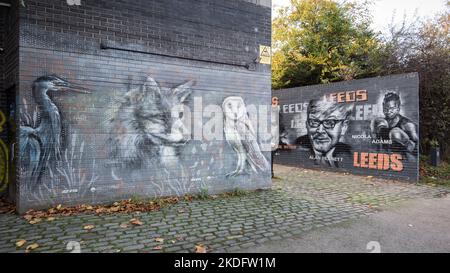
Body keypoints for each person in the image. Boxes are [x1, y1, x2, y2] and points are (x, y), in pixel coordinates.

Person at [295, 99, 353, 168]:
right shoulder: (296, 149)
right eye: (314, 122)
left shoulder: (349, 153)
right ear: (307, 125)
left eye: (330, 122)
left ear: (344, 127)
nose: (320, 130)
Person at [371, 92, 418, 161]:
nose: (388, 111)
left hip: (402, 163)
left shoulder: (408, 125)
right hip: (384, 162)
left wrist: (407, 142)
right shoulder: (380, 123)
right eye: (386, 108)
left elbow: (417, 151)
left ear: (398, 108)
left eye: (392, 108)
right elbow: (375, 147)